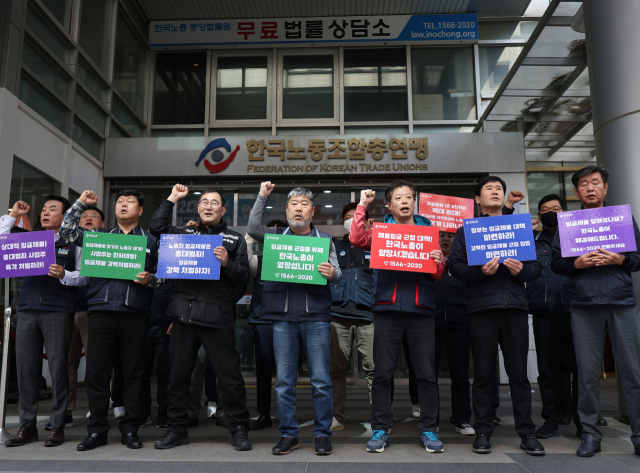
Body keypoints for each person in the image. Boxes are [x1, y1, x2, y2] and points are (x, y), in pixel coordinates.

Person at [150, 184, 252, 451]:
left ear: (223, 209)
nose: (208, 206)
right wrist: (172, 198)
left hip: (217, 318)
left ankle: (239, 428)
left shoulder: (233, 240)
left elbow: (243, 280)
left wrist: (227, 263)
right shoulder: (184, 234)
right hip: (182, 317)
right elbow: (157, 228)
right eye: (204, 202)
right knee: (178, 377)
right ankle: (176, 429)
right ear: (198, 208)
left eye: (214, 202)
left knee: (230, 377)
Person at [448, 176, 545, 456]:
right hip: (481, 309)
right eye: (488, 189)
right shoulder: (467, 231)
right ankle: (482, 431)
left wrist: (520, 271)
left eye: (499, 189)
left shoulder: (519, 227)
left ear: (504, 198)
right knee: (482, 374)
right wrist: (481, 272)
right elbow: (454, 266)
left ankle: (527, 433)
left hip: (514, 307)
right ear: (478, 199)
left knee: (518, 375)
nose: (494, 192)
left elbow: (535, 267)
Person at [551, 164, 640, 457]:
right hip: (583, 304)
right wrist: (575, 264)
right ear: (577, 191)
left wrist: (620, 259)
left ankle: (638, 435)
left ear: (605, 188)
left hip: (620, 301)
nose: (590, 188)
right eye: (584, 184)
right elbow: (555, 263)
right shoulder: (568, 223)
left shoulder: (622, 219)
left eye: (595, 183)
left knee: (632, 371)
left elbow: (638, 258)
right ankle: (590, 433)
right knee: (587, 375)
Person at [350, 180, 445, 454]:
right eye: (398, 197)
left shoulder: (429, 231)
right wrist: (362, 206)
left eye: (409, 197)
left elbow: (438, 274)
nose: (405, 201)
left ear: (414, 201)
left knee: (426, 375)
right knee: (383, 374)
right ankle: (380, 428)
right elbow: (356, 239)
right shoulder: (381, 231)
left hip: (422, 312)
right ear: (389, 205)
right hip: (387, 311)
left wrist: (439, 260)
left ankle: (429, 429)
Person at [247, 183, 341, 456]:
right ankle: (289, 434)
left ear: (313, 211)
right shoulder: (276, 237)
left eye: (304, 204)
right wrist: (262, 196)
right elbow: (253, 229)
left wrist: (331, 272)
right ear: (287, 209)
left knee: (321, 380)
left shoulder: (324, 240)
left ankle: (322, 433)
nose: (298, 208)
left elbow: (339, 276)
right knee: (285, 382)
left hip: (316, 319)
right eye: (294, 204)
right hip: (282, 319)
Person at [60, 189, 159, 451]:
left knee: (134, 374)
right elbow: (67, 232)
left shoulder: (151, 242)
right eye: (119, 202)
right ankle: (97, 430)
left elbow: (167, 279)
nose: (124, 205)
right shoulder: (99, 239)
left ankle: (131, 429)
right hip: (101, 312)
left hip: (135, 314)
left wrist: (150, 280)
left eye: (130, 202)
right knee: (96, 373)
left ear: (140, 211)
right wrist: (81, 203)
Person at [2, 197, 87, 448]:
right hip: (27, 310)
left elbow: (86, 276)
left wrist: (65, 274)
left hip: (58, 310)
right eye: (43, 209)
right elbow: (1, 243)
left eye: (53, 209)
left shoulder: (75, 241)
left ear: (66, 215)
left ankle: (57, 425)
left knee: (58, 370)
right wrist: (13, 215)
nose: (45, 213)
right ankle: (27, 426)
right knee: (26, 370)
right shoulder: (30, 238)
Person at [42, 206, 104, 431]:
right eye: (84, 216)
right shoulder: (68, 243)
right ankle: (66, 411)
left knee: (96, 364)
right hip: (66, 311)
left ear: (103, 225)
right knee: (66, 365)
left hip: (93, 311)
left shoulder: (107, 244)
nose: (88, 219)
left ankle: (97, 410)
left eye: (93, 216)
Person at [526, 194, 581, 439]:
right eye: (545, 210)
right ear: (539, 216)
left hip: (574, 309)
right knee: (547, 368)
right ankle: (550, 418)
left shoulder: (577, 236)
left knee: (577, 367)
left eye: (556, 208)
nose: (551, 213)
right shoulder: (532, 240)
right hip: (542, 310)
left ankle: (579, 417)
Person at [329, 203, 375, 432]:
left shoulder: (377, 245)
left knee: (374, 370)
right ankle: (336, 416)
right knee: (336, 370)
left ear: (366, 221)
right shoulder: (335, 246)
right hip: (338, 314)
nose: (352, 220)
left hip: (368, 315)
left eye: (356, 217)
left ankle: (380, 418)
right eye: (347, 217)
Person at [246, 219, 286, 431]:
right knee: (263, 373)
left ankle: (287, 415)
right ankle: (264, 414)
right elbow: (245, 255)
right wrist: (250, 235)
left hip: (288, 322)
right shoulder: (258, 262)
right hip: (262, 322)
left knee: (287, 374)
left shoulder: (295, 261)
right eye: (270, 235)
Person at [434, 230, 474, 436]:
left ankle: (462, 419)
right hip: (431, 322)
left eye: (450, 236)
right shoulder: (429, 259)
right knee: (428, 374)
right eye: (442, 235)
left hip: (459, 323)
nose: (446, 239)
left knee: (460, 374)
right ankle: (431, 419)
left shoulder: (464, 262)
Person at [141, 279, 175, 428]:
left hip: (165, 325)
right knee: (141, 371)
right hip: (143, 322)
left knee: (164, 372)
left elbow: (178, 294)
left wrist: (175, 319)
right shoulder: (144, 260)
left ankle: (163, 414)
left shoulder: (172, 264)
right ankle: (143, 413)